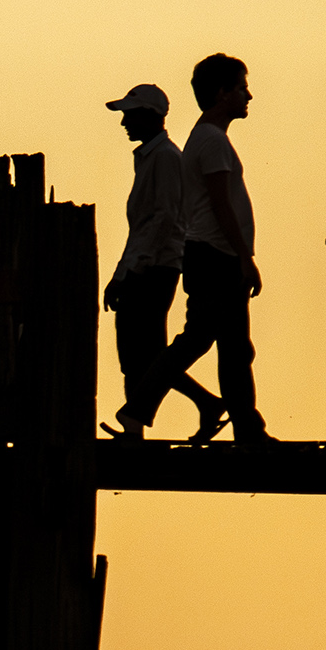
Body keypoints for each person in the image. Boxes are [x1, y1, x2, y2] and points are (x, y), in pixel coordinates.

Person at [111, 53, 269, 445]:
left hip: (208, 254)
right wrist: (245, 257)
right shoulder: (211, 141)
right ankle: (139, 408)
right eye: (241, 88)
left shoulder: (200, 140)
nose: (248, 95)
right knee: (200, 341)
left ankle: (247, 428)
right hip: (215, 255)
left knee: (232, 348)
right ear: (221, 93)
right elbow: (220, 204)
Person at [99, 83, 217, 440]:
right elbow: (145, 225)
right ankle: (142, 423)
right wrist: (123, 272)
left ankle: (195, 406)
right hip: (148, 264)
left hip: (156, 267)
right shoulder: (153, 156)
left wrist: (132, 270)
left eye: (130, 115)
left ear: (151, 117)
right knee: (138, 353)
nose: (124, 123)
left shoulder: (165, 157)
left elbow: (164, 218)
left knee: (145, 353)